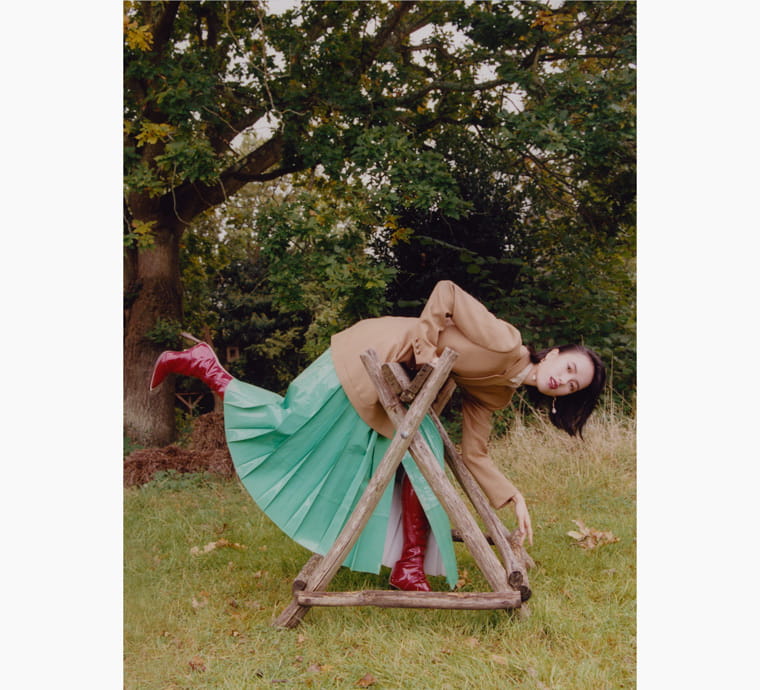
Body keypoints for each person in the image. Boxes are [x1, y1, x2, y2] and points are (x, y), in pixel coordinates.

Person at [149, 280, 606, 591]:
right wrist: (427, 346)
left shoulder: (499, 392)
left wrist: (514, 497)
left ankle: (409, 565)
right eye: (568, 368)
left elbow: (474, 453)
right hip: (377, 352)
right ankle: (206, 366)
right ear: (556, 353)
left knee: (417, 455)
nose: (563, 380)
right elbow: (447, 292)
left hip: (400, 387)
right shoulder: (507, 341)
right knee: (292, 421)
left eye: (573, 385)